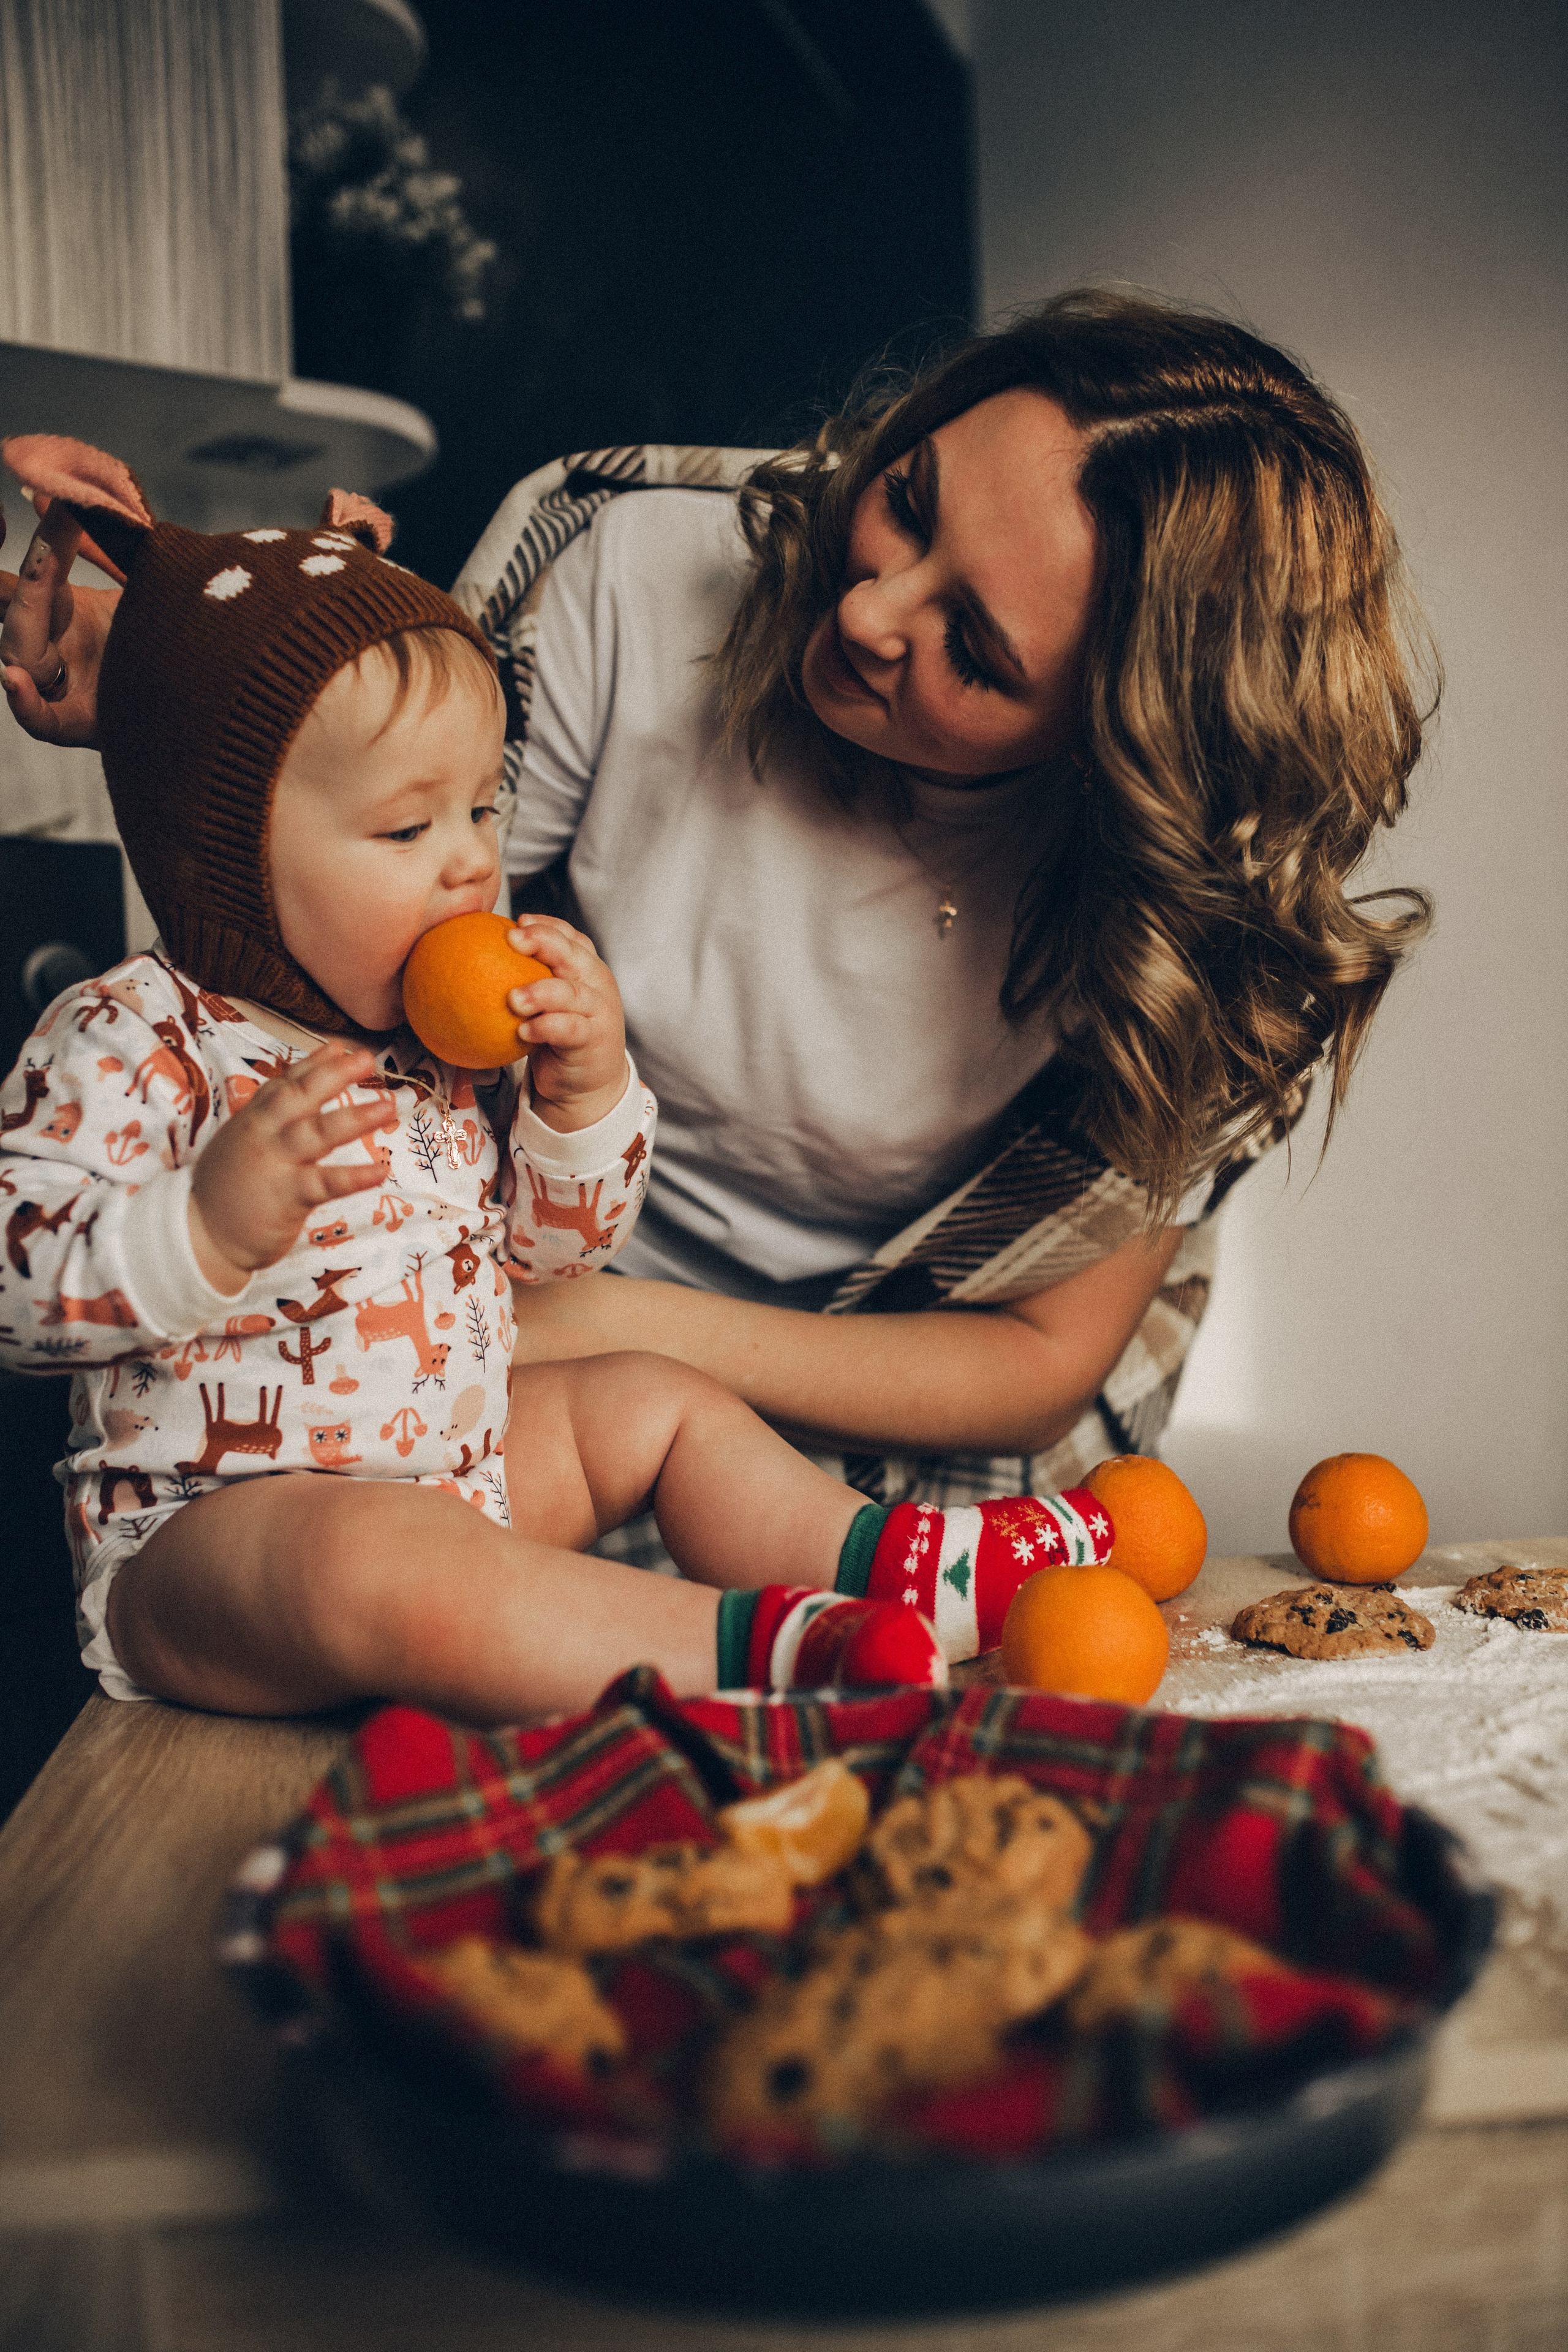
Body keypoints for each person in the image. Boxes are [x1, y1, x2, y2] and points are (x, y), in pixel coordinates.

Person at [1, 289, 1433, 1586]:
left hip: (877, 1388)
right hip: (518, 1274)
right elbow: (369, 884)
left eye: (975, 652)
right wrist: (172, 695)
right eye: (910, 500)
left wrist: (627, 1336)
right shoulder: (630, 567)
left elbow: (1032, 1367)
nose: (864, 609)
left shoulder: (1192, 936)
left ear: (1115, 747)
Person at [0, 434, 1115, 1723]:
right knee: (372, 1558)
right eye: (409, 828)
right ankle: (763, 1658)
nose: (472, 864)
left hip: (460, 1472)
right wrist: (197, 1228)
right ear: (224, 847)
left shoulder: (422, 1050)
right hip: (212, 1539)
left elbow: (550, 1258)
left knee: (648, 1403)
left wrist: (579, 1103)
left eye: (480, 810)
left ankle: (897, 1570)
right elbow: (16, 1293)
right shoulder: (138, 1034)